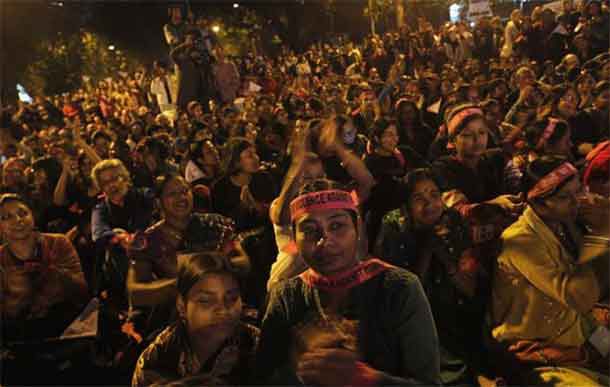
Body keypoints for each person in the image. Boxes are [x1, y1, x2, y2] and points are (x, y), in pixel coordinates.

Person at [255, 178, 441, 385]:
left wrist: (365, 380)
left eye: (337, 226)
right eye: (309, 230)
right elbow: (262, 378)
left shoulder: (399, 287)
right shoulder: (286, 296)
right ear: (294, 238)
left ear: (357, 229)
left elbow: (429, 382)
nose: (324, 241)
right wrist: (298, 366)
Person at [488, 155, 609, 385]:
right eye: (565, 197)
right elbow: (578, 297)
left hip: (578, 337)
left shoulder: (566, 223)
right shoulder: (521, 240)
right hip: (537, 354)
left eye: (578, 191)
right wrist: (603, 233)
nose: (578, 201)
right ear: (538, 203)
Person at [132, 252, 258, 386]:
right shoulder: (157, 360)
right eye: (205, 301)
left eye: (232, 298)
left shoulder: (259, 349)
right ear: (182, 306)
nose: (223, 309)